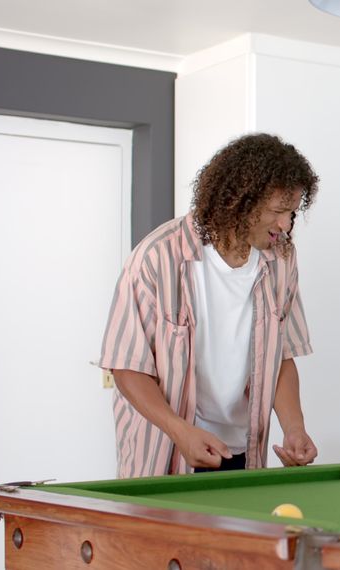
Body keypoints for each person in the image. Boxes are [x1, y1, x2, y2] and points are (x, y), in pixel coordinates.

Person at [100, 133, 320, 477]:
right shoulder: (156, 256)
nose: (286, 225)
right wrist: (180, 431)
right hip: (167, 453)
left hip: (243, 452)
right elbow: (127, 367)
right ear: (239, 202)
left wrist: (294, 427)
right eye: (278, 211)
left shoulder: (281, 259)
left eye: (292, 212)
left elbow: (283, 357)